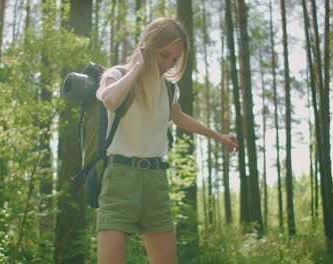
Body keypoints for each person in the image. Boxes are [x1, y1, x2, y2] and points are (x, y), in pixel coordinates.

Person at [96, 17, 240, 264]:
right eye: (164, 55)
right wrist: (137, 69)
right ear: (147, 47)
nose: (168, 64)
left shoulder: (170, 88)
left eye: (174, 59)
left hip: (156, 181)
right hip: (120, 178)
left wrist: (219, 136)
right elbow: (110, 100)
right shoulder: (117, 75)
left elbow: (181, 118)